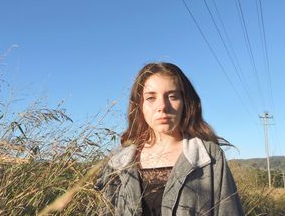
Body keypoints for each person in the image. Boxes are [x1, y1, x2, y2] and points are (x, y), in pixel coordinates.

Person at [95, 62, 244, 216]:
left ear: (185, 103)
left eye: (172, 96)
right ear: (140, 105)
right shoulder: (118, 160)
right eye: (151, 98)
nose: (162, 106)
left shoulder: (210, 157)